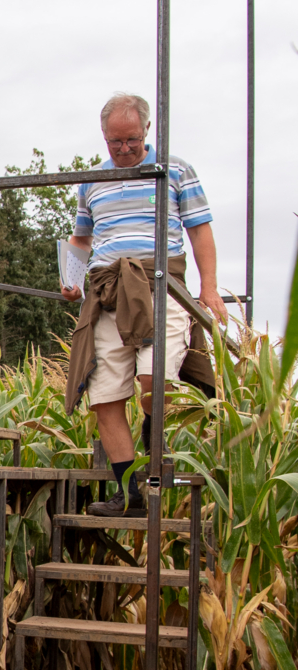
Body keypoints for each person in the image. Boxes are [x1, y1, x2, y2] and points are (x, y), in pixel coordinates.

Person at [64, 93, 226, 515]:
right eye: (115, 141)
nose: (124, 149)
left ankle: (155, 444)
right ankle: (129, 494)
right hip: (107, 292)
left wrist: (209, 288)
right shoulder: (92, 180)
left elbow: (200, 229)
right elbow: (81, 238)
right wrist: (70, 279)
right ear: (104, 136)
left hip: (160, 285)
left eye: (131, 140)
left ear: (147, 130)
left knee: (155, 379)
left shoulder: (175, 170)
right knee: (104, 395)